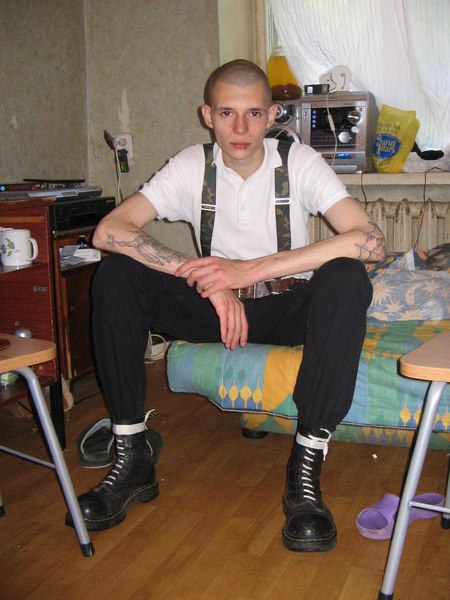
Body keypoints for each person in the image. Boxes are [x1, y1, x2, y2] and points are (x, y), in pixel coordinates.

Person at [69, 59, 385, 552]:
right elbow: (109, 231)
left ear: (273, 114)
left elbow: (371, 241)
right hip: (214, 312)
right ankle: (132, 456)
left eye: (254, 114)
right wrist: (206, 278)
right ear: (207, 115)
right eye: (227, 113)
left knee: (347, 278)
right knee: (116, 275)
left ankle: (305, 468)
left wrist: (249, 270)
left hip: (285, 309)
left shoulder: (298, 162)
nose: (240, 129)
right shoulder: (191, 166)